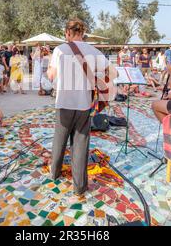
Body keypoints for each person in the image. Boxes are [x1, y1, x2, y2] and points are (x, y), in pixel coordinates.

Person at [47, 19, 118, 196]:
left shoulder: (59, 50)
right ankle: (79, 187)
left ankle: (54, 174)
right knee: (80, 144)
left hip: (64, 102)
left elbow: (50, 77)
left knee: (59, 140)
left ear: (68, 33)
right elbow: (113, 72)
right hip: (84, 104)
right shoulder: (93, 51)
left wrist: (50, 67)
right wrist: (95, 78)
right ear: (82, 33)